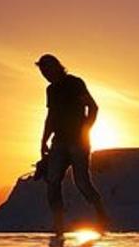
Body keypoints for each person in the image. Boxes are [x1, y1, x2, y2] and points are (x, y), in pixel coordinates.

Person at [36, 54, 109, 232]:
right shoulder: (51, 90)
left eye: (47, 69)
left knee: (82, 182)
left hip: (78, 142)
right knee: (52, 181)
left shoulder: (75, 83)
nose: (45, 74)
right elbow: (51, 116)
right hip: (59, 141)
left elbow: (93, 107)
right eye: (42, 71)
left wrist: (86, 130)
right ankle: (58, 223)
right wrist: (44, 140)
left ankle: (101, 216)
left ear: (56, 67)